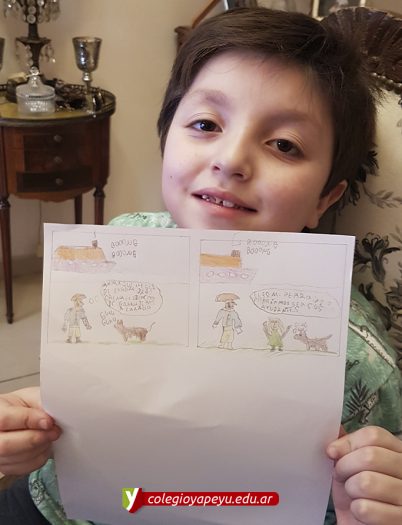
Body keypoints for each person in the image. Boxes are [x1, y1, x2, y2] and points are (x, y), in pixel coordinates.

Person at [0, 7, 401, 525]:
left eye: (284, 145)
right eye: (206, 124)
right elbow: (73, 408)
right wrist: (26, 429)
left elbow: (360, 496)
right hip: (59, 507)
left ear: (325, 198)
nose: (230, 160)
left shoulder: (361, 364)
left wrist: (366, 509)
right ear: (166, 141)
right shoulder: (117, 247)